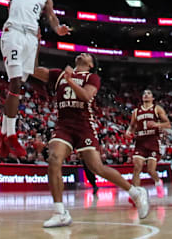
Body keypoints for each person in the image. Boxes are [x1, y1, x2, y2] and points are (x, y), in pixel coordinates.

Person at [31, 53, 149, 228]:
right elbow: (32, 70)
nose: (82, 54)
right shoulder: (58, 74)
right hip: (63, 125)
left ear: (91, 64)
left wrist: (70, 80)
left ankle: (135, 192)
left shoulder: (92, 77)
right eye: (81, 53)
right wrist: (35, 46)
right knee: (54, 159)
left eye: (87, 55)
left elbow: (86, 96)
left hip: (84, 125)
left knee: (96, 167)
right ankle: (60, 212)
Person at [0, 0, 71, 159]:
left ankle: (2, 135)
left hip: (31, 38)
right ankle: (11, 135)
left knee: (20, 83)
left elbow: (52, 19)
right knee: (16, 81)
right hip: (14, 32)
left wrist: (59, 30)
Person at [126, 89, 171, 193]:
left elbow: (168, 124)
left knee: (150, 170)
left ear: (152, 98)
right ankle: (136, 194)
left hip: (153, 141)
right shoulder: (136, 111)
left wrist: (157, 124)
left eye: (148, 93)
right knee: (137, 168)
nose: (146, 95)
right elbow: (132, 126)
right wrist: (128, 131)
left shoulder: (157, 109)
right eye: (144, 94)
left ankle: (158, 181)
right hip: (140, 142)